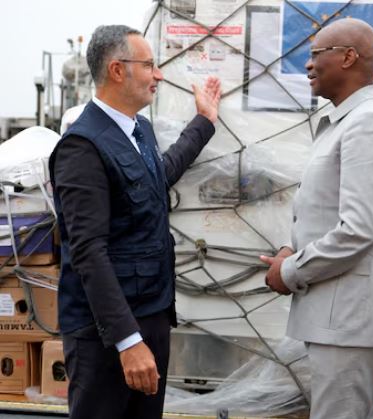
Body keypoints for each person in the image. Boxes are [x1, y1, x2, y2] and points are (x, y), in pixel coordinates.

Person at [49, 25, 221, 419]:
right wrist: (128, 342)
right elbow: (88, 252)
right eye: (149, 65)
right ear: (117, 70)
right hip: (107, 337)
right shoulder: (83, 146)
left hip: (150, 316)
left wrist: (204, 122)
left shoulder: (138, 130)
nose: (158, 74)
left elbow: (158, 176)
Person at [259, 18, 373, 419]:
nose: (308, 65)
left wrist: (290, 270)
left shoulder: (368, 123)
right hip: (340, 309)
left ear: (348, 57)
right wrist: (291, 246)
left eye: (315, 54)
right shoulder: (344, 122)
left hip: (352, 313)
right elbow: (328, 211)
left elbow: (359, 229)